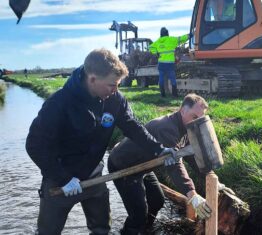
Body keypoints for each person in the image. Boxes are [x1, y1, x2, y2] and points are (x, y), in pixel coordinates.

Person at [25, 48, 176, 235]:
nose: (116, 90)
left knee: (101, 229)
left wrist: (159, 149)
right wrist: (63, 178)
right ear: (93, 79)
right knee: (48, 232)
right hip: (59, 180)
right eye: (112, 85)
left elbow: (133, 127)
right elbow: (34, 145)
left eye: (118, 85)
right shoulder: (59, 103)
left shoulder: (114, 100)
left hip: (94, 176)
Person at [108, 93, 213, 235]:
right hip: (125, 166)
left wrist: (209, 176)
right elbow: (174, 166)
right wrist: (192, 195)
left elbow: (191, 155)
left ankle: (144, 230)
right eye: (194, 117)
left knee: (157, 200)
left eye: (200, 119)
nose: (196, 122)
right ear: (183, 110)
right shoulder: (167, 128)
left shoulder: (188, 128)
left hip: (144, 165)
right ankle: (131, 231)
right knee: (138, 213)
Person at [149, 27, 189, 97]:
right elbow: (181, 39)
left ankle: (163, 95)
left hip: (161, 64)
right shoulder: (171, 40)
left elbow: (150, 47)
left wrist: (156, 52)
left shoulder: (158, 41)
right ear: (167, 33)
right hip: (170, 64)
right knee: (172, 79)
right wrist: (189, 35)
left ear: (161, 34)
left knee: (161, 79)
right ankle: (175, 95)